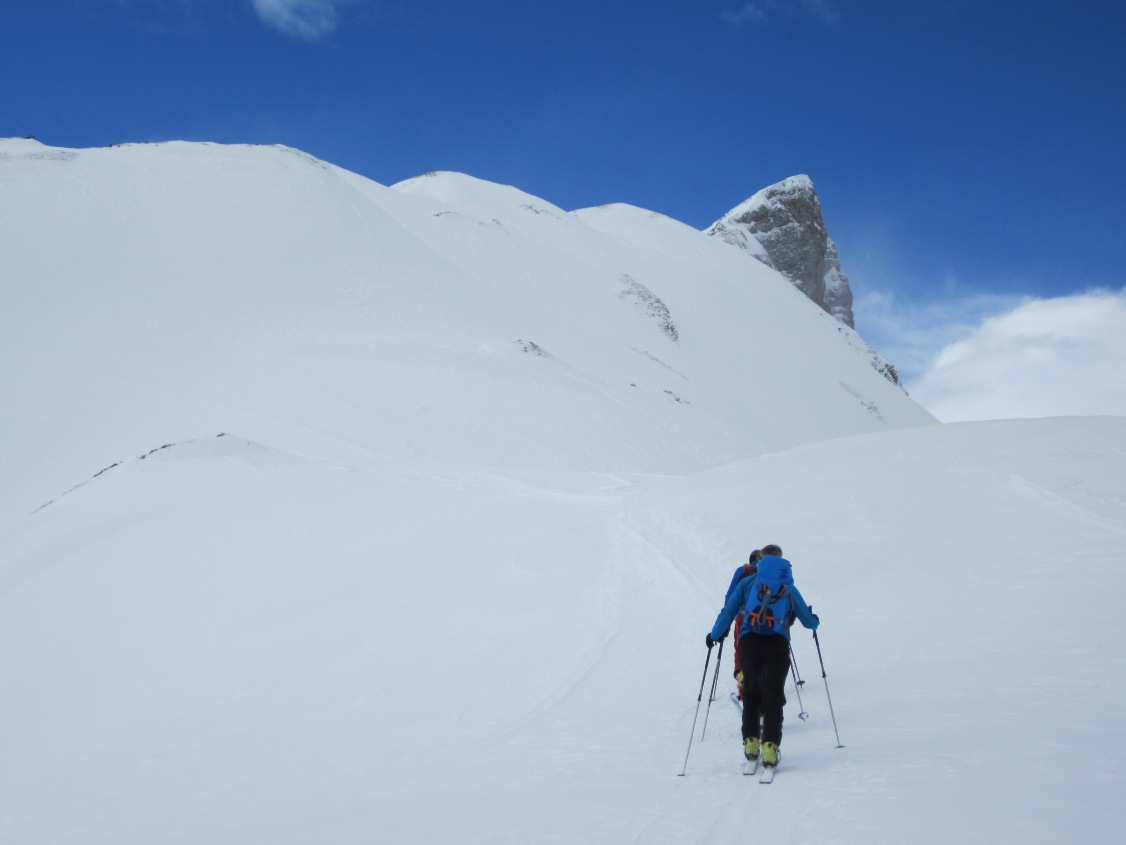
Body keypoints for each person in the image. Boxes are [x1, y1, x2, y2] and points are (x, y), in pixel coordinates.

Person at [705, 544, 818, 769]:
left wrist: (714, 634)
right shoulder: (788, 587)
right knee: (774, 695)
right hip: (778, 644)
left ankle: (750, 743)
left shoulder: (749, 583)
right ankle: (770, 749)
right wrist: (815, 620)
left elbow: (729, 610)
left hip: (749, 642)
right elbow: (808, 621)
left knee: (751, 692)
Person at [724, 549, 762, 700]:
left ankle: (743, 686)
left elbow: (730, 597)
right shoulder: (768, 574)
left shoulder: (742, 571)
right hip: (765, 620)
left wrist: (728, 617)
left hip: (743, 618)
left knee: (741, 653)